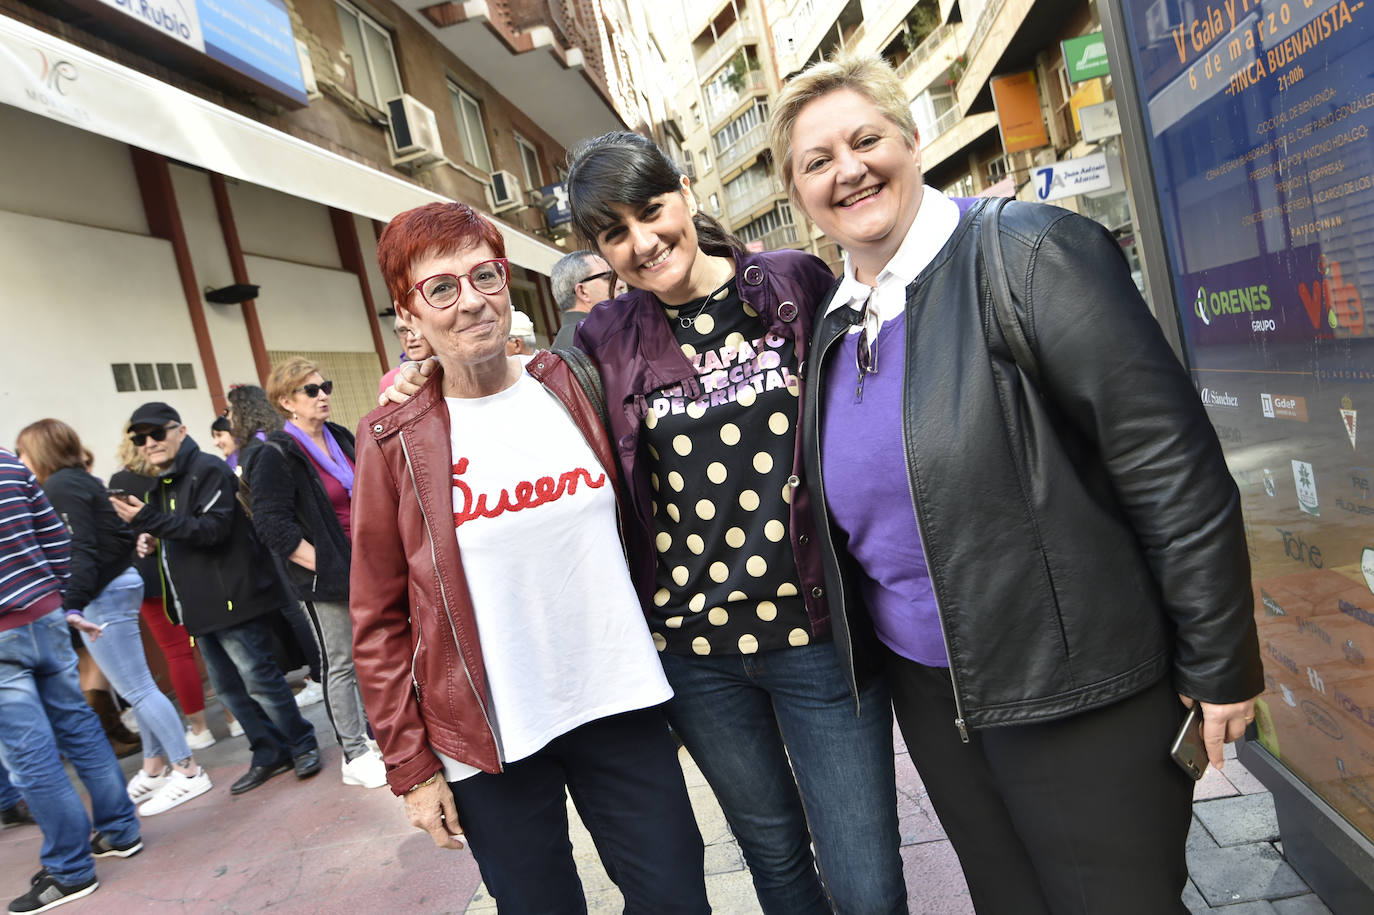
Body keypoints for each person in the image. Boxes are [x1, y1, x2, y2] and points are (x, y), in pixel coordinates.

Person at [769, 52, 1264, 913]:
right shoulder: (836, 323)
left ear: (912, 139)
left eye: (865, 139)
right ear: (797, 193)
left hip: (1079, 687)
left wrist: (1221, 661)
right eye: (817, 162)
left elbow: (1171, 466)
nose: (847, 170)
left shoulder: (1029, 252)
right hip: (939, 700)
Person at [563, 131, 905, 913]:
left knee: (865, 879)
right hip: (696, 656)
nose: (645, 242)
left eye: (652, 212)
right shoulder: (603, 339)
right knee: (775, 861)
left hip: (818, 639)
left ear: (686, 191)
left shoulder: (793, 284)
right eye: (616, 233)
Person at [352, 201, 710, 913]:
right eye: (441, 288)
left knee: (677, 900)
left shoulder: (570, 383)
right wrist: (411, 767)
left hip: (619, 701)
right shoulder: (393, 438)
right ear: (409, 319)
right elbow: (378, 617)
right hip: (490, 734)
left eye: (484, 275)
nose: (471, 301)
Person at [109, 402, 323, 796]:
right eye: (140, 438)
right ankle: (268, 751)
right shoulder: (166, 481)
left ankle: (301, 743)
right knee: (227, 690)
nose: (150, 443)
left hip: (232, 601)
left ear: (181, 430)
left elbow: (213, 530)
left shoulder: (207, 469)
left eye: (158, 433)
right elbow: (180, 531)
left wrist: (147, 521)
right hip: (200, 607)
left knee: (260, 681)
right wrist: (150, 536)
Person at [17, 419, 212, 817]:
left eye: (22, 452)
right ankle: (157, 768)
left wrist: (72, 603)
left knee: (138, 687)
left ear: (40, 451)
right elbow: (116, 535)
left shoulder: (60, 487)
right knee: (135, 683)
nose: (20, 461)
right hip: (114, 588)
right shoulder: (82, 481)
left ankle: (188, 771)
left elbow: (82, 549)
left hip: (101, 595)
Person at [0, 446, 142, 914]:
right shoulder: (8, 462)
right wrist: (62, 601)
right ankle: (120, 832)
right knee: (77, 726)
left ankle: (70, 870)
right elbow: (56, 539)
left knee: (31, 754)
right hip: (44, 614)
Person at [243, 358, 386, 789]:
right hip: (328, 578)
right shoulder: (275, 454)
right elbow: (273, 527)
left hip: (369, 565)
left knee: (376, 656)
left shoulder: (340, 436)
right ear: (286, 402)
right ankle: (354, 751)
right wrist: (330, 569)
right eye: (310, 390)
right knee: (341, 662)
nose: (322, 394)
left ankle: (378, 737)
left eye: (325, 385)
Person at [110, 426, 215, 749]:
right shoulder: (173, 474)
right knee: (209, 644)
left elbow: (119, 533)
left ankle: (199, 729)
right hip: (188, 567)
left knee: (176, 652)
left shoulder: (120, 483)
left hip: (149, 576)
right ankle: (234, 718)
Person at [225, 384, 325, 708]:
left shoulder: (258, 447)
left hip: (285, 537)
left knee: (297, 608)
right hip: (299, 533)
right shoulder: (274, 436)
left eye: (229, 411)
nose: (227, 418)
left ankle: (320, 675)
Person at [549, 249, 624, 351]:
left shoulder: (561, 346)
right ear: (582, 292)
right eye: (609, 277)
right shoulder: (604, 339)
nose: (621, 284)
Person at [379, 314, 434, 395]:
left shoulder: (453, 369)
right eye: (402, 330)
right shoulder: (387, 380)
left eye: (416, 328)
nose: (410, 338)